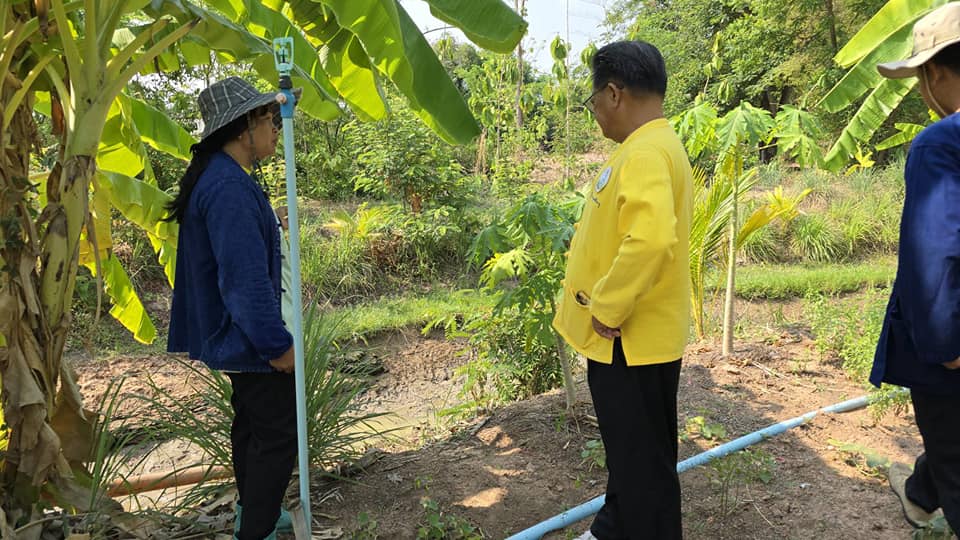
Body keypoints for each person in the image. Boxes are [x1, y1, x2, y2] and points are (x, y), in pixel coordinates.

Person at [553, 40, 693, 540]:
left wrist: (608, 307)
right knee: (638, 453)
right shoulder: (656, 144)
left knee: (641, 464)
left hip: (625, 339)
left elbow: (651, 238)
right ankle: (613, 527)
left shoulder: (644, 153)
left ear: (614, 94)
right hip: (641, 339)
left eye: (592, 100)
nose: (594, 112)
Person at [166, 77, 297, 540]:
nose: (275, 128)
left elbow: (237, 248)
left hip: (236, 336)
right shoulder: (228, 187)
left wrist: (269, 222)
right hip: (250, 338)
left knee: (251, 428)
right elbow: (243, 282)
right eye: (267, 119)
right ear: (243, 128)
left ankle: (253, 511)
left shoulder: (223, 177)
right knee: (277, 437)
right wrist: (276, 346)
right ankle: (257, 529)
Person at [871, 2, 960, 535]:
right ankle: (920, 494)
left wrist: (945, 347)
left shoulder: (941, 143)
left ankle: (928, 493)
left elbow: (935, 253)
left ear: (935, 73)